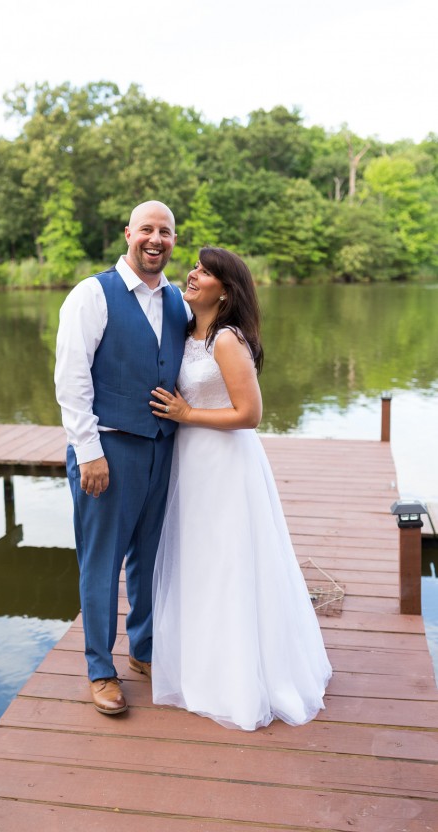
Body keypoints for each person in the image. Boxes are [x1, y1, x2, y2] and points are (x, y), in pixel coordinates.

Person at [150, 247, 332, 731]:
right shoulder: (188, 333)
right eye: (194, 266)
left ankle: (242, 679)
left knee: (231, 562)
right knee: (201, 562)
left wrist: (187, 414)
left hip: (226, 464)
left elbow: (249, 416)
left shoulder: (227, 340)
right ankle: (204, 667)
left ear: (225, 291)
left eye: (205, 272)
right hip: (191, 464)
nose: (192, 273)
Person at [55, 201, 189, 715]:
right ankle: (99, 669)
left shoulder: (177, 300)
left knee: (150, 558)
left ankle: (145, 650)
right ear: (128, 233)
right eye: (148, 230)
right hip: (107, 448)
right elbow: (72, 378)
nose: (156, 239)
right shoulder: (93, 294)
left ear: (174, 240)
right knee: (101, 562)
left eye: (167, 232)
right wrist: (88, 451)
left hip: (162, 447)